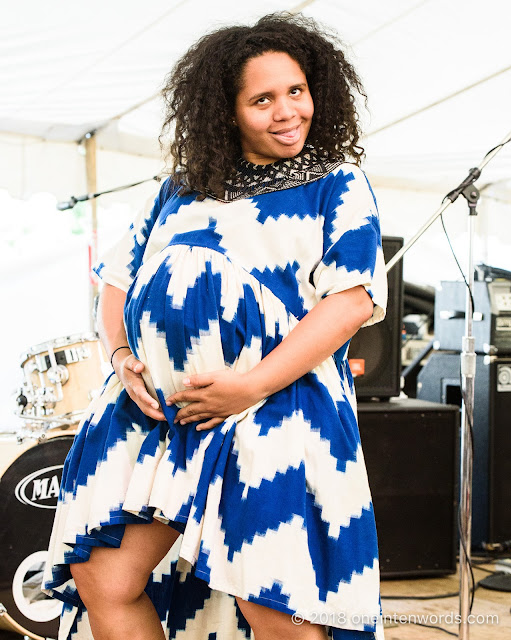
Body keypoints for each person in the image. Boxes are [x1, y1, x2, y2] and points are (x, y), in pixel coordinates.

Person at [43, 12, 387, 640]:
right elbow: (117, 281)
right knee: (105, 580)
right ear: (224, 111)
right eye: (263, 99)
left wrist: (250, 386)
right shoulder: (180, 188)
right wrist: (121, 357)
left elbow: (352, 302)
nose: (287, 111)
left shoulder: (336, 183)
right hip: (152, 416)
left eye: (297, 91)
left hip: (274, 412)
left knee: (274, 602)